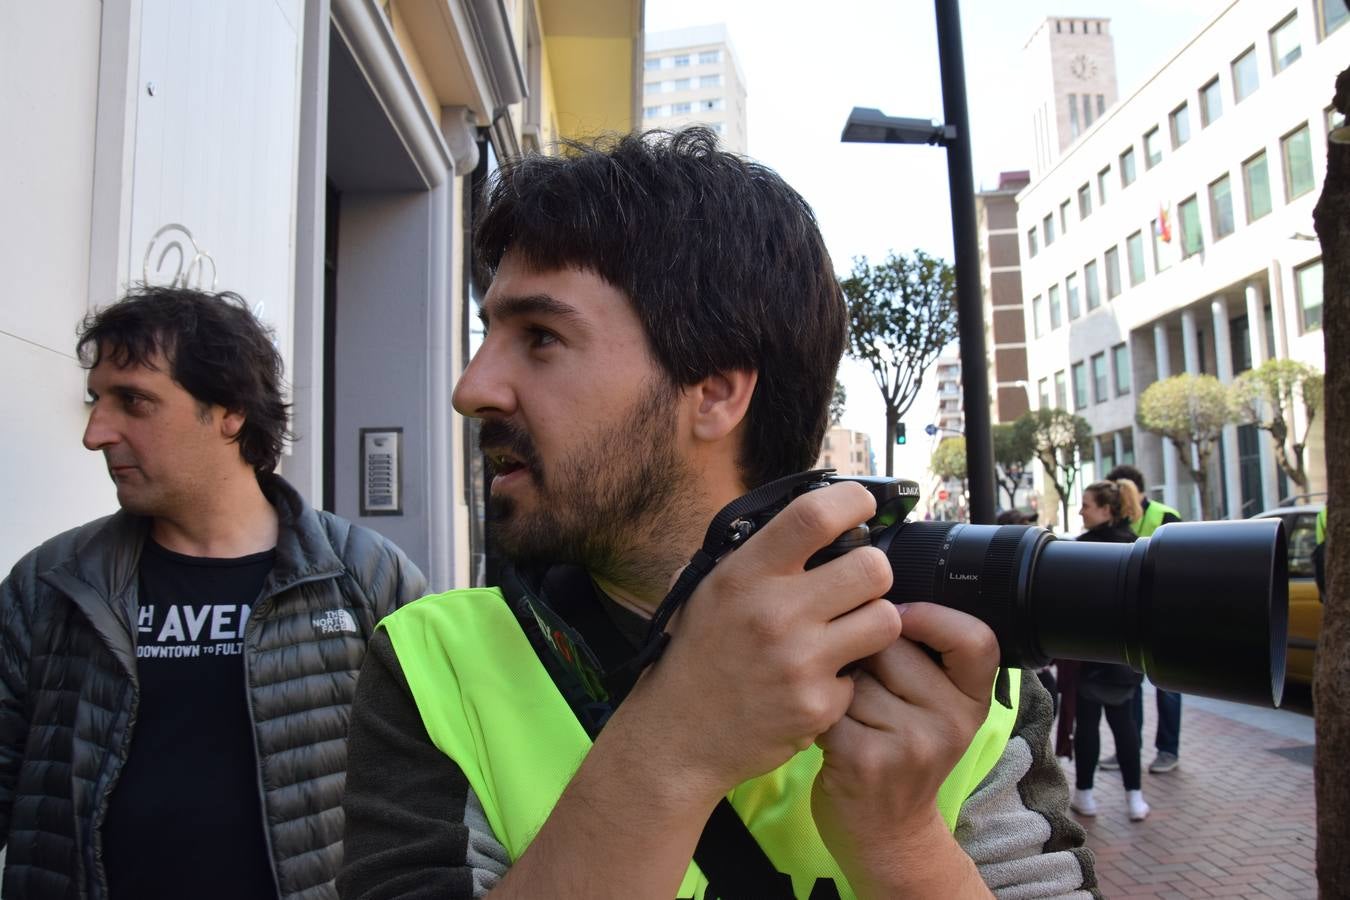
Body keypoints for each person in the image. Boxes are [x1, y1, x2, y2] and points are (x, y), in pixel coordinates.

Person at [338, 129, 1096, 898]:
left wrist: (899, 839)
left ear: (715, 392)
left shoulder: (952, 675)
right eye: (487, 333)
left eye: (540, 336)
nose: (472, 388)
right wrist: (673, 745)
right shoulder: (437, 665)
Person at [0, 287, 427, 900]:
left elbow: (438, 789)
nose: (96, 433)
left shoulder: (363, 578)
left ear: (229, 410)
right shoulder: (52, 585)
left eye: (134, 402)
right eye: (98, 400)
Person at [1070, 480, 1149, 823]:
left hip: (1089, 654)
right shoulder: (1135, 544)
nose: (1081, 510)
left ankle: (1085, 794)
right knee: (1125, 725)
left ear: (1106, 509)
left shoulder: (1081, 548)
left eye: (1086, 505)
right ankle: (1135, 798)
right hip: (1127, 653)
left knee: (1087, 725)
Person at [1104, 463, 1183, 774]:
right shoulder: (1119, 520)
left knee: (1168, 686)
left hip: (1164, 616)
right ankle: (1129, 748)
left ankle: (1168, 749)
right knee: (1130, 688)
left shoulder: (1164, 515)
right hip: (1131, 618)